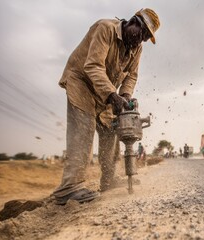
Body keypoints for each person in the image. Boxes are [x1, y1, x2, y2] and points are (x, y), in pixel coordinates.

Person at [52, 8, 160, 205]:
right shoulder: (106, 28)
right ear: (134, 22)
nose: (140, 41)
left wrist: (125, 96)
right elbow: (92, 66)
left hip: (105, 91)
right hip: (82, 82)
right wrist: (112, 95)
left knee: (110, 131)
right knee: (83, 131)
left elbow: (132, 75)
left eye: (145, 39)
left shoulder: (136, 48)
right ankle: (69, 188)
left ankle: (108, 181)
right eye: (142, 34)